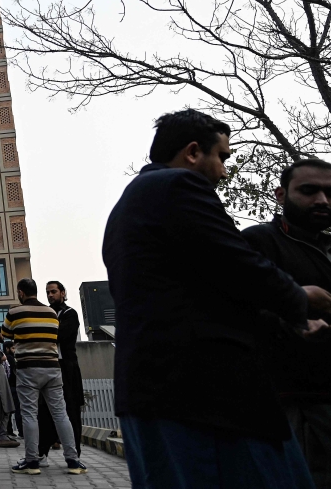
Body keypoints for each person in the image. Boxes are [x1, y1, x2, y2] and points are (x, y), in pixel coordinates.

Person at [103, 109, 331, 489]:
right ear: (194, 152)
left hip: (162, 391)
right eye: (222, 157)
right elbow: (237, 263)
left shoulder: (133, 203)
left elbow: (206, 287)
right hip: (201, 396)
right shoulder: (178, 187)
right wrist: (299, 298)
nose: (224, 172)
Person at [242, 159, 331, 488]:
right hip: (292, 402)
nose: (322, 200)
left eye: (329, 192)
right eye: (309, 191)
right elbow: (237, 310)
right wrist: (293, 320)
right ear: (281, 194)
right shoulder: (258, 243)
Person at [2, 278, 84, 475]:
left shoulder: (15, 312)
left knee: (30, 414)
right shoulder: (51, 314)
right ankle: (73, 460)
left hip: (28, 368)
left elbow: (6, 334)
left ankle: (32, 462)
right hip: (53, 368)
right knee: (60, 413)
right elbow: (56, 336)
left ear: (21, 292)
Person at [37, 280, 82, 461]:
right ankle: (41, 453)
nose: (50, 295)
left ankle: (74, 454)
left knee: (71, 410)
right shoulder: (47, 313)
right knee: (44, 410)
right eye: (48, 292)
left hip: (67, 368)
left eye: (54, 291)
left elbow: (59, 335)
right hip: (49, 366)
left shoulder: (70, 313)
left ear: (63, 292)